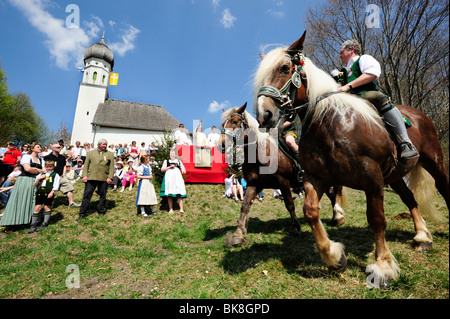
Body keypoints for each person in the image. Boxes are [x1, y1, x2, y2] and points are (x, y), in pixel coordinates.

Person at [338, 39, 418, 161]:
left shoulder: (363, 59)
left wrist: (348, 86)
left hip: (366, 95)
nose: (339, 55)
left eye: (341, 52)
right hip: (350, 101)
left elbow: (372, 73)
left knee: (379, 97)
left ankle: (405, 143)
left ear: (351, 49)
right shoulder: (343, 71)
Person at [0, 142, 45, 231]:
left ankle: (28, 221)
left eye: (40, 147)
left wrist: (35, 170)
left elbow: (44, 171)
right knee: (20, 200)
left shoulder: (41, 159)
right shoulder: (27, 157)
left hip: (35, 181)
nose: (40, 148)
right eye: (38, 147)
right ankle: (13, 223)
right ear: (32, 149)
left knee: (31, 201)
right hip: (25, 180)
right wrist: (38, 170)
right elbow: (27, 169)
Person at [78, 139, 115, 220]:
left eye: (106, 144)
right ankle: (82, 213)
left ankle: (101, 210)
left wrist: (110, 177)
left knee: (102, 195)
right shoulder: (91, 153)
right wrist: (84, 175)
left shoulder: (110, 154)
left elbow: (111, 167)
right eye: (103, 144)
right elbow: (86, 165)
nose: (105, 146)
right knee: (87, 195)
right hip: (91, 177)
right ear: (98, 145)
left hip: (104, 178)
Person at [29, 161, 60, 233]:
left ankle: (45, 223)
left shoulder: (55, 175)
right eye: (47, 167)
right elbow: (35, 184)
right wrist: (39, 178)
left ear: (53, 167)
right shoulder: (41, 174)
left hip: (49, 192)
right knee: (37, 207)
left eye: (50, 167)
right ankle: (33, 224)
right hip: (40, 192)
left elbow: (56, 184)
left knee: (47, 206)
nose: (48, 168)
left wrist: (52, 192)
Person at [160, 149, 187, 214]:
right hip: (169, 179)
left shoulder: (179, 161)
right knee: (169, 193)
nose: (172, 155)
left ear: (175, 155)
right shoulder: (166, 161)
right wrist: (169, 167)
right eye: (170, 153)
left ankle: (181, 208)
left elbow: (183, 168)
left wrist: (183, 170)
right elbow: (162, 170)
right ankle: (170, 209)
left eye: (173, 153)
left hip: (177, 179)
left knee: (179, 193)